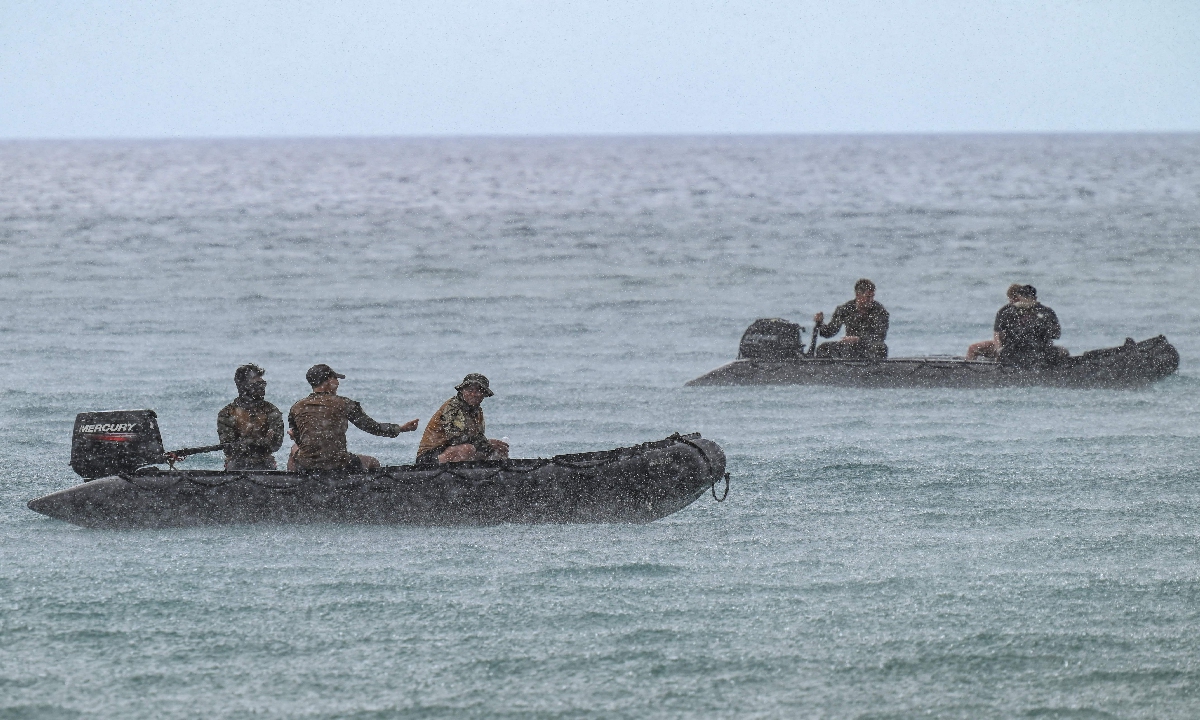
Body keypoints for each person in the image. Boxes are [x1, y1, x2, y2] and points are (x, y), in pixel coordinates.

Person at [287, 364, 419, 472]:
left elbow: (298, 437)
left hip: (308, 463)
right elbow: (372, 427)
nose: (338, 383)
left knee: (294, 449)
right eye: (335, 379)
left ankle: (292, 485)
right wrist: (400, 428)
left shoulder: (297, 407)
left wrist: (295, 437)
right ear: (328, 381)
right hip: (338, 463)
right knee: (373, 462)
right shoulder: (344, 403)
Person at [415, 373, 509, 465]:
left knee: (497, 450)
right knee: (467, 449)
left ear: (484, 394)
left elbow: (478, 438)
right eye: (470, 390)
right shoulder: (452, 407)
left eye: (478, 391)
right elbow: (456, 439)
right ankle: (450, 477)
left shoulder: (477, 411)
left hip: (453, 451)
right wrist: (488, 444)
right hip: (429, 457)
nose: (473, 394)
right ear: (462, 391)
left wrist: (491, 448)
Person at [217, 364, 285, 470]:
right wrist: (261, 441)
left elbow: (276, 445)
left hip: (265, 463)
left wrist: (245, 441)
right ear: (244, 386)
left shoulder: (271, 410)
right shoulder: (227, 413)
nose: (262, 386)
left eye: (263, 383)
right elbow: (229, 449)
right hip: (237, 463)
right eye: (257, 383)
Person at [812, 278, 889, 359]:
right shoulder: (845, 309)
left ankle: (875, 369)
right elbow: (830, 332)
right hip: (850, 348)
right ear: (858, 295)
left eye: (872, 296)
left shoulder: (880, 311)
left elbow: (880, 336)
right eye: (868, 296)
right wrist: (820, 323)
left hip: (869, 347)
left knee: (881, 348)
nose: (871, 300)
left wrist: (859, 339)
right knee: (823, 348)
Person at [992, 285, 1064, 367]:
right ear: (1035, 298)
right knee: (1062, 352)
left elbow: (1000, 334)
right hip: (1041, 355)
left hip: (1013, 356)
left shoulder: (1007, 313)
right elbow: (1056, 334)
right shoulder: (1047, 312)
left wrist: (999, 350)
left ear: (1019, 297)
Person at [966, 284, 1023, 361]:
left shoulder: (1033, 311)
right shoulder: (1003, 311)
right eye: (1011, 299)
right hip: (1004, 346)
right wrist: (999, 349)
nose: (1013, 302)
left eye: (1016, 299)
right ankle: (970, 370)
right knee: (972, 348)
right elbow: (997, 334)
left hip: (1022, 347)